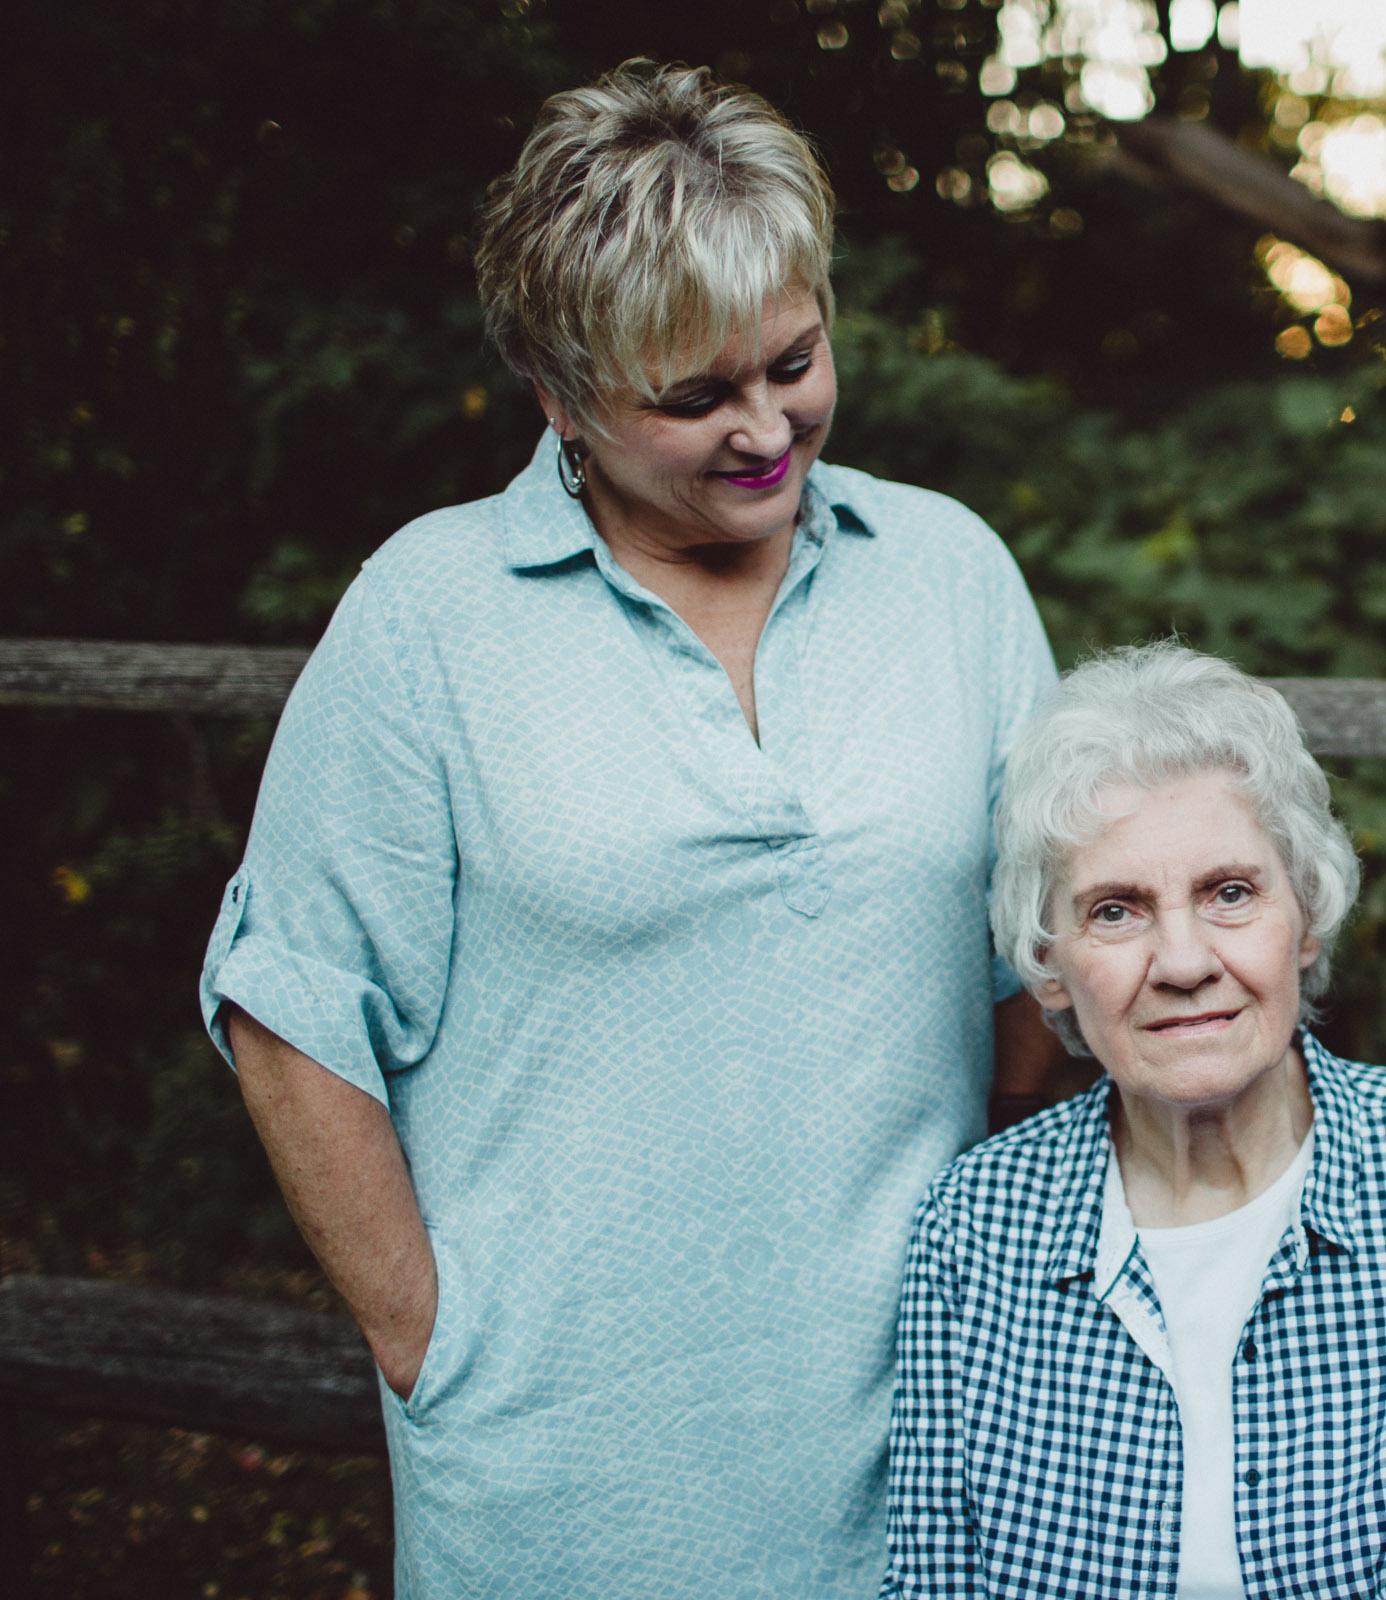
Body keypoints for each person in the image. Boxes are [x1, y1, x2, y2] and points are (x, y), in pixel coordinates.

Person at [197, 60, 1056, 1597]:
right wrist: (429, 1343)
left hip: (925, 1441)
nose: (766, 428)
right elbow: (296, 1007)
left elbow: (1042, 969)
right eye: (695, 395)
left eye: (794, 360)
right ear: (561, 396)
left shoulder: (952, 577)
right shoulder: (430, 616)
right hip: (560, 1474)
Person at [882, 643, 1386, 1597]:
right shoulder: (976, 1222)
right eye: (1116, 912)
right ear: (1048, 964)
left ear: (1308, 910)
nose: (1186, 960)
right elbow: (934, 1585)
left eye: (1229, 893)